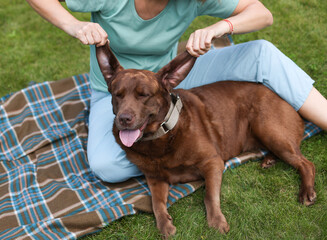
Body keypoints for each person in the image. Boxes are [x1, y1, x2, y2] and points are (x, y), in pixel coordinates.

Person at [26, 0, 327, 183]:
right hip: (117, 95)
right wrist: (74, 25)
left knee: (262, 52)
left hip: (170, 81)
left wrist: (218, 28)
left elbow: (263, 14)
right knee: (107, 166)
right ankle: (201, 149)